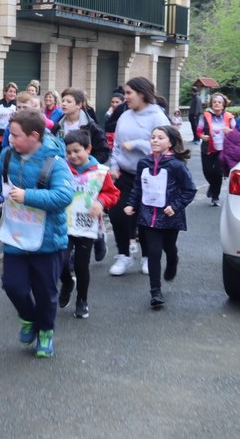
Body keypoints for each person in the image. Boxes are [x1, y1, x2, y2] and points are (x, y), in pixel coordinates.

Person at [0, 108, 74, 358]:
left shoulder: (55, 162)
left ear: (34, 136)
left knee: (45, 292)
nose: (10, 139)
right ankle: (28, 318)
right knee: (13, 285)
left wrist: (28, 196)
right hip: (15, 235)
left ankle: (45, 331)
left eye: (15, 135)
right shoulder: (8, 155)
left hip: (47, 241)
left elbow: (64, 196)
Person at [123, 125, 196, 308]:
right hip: (148, 216)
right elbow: (138, 187)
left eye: (160, 137)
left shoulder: (176, 165)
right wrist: (131, 204)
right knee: (153, 252)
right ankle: (155, 292)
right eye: (153, 137)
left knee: (169, 247)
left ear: (170, 142)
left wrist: (176, 206)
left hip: (169, 216)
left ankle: (173, 260)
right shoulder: (144, 163)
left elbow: (189, 190)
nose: (155, 140)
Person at [108, 78, 170, 277]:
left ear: (141, 94)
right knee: (118, 214)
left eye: (129, 93)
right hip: (124, 174)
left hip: (149, 175)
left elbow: (166, 144)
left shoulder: (157, 116)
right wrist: (114, 166)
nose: (125, 97)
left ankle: (147, 256)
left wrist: (136, 144)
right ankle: (124, 255)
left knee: (145, 218)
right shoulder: (125, 116)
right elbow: (117, 145)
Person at [57, 129, 119, 319]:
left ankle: (82, 300)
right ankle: (67, 283)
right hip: (64, 223)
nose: (73, 156)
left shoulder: (100, 171)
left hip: (87, 225)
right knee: (60, 261)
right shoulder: (62, 168)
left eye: (77, 151)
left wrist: (101, 202)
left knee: (81, 265)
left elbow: (112, 193)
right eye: (69, 152)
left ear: (88, 149)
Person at [51, 88, 110, 164]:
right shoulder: (57, 125)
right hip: (61, 167)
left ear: (79, 105)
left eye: (69, 101)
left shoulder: (91, 127)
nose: (64, 104)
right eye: (63, 101)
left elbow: (103, 151)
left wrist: (89, 165)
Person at [196, 93, 234, 207]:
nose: (217, 104)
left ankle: (215, 197)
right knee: (207, 172)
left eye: (219, 102)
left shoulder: (229, 117)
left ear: (223, 105)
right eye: (214, 102)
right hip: (207, 149)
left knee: (217, 173)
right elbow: (198, 130)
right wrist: (202, 136)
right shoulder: (205, 116)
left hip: (222, 150)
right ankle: (212, 186)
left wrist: (230, 131)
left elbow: (236, 132)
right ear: (211, 104)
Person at [0, 83, 18, 156]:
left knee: (10, 155)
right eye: (10, 91)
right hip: (0, 134)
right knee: (0, 155)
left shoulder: (17, 104)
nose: (12, 94)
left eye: (14, 92)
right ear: (5, 92)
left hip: (12, 135)